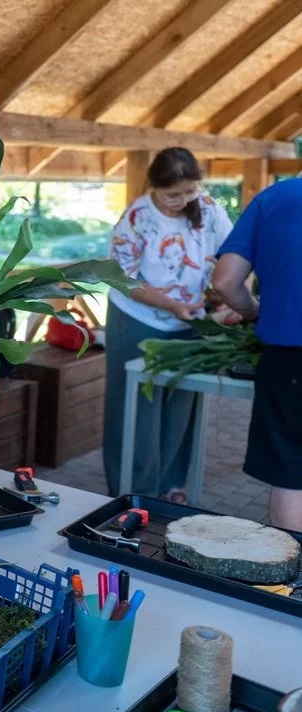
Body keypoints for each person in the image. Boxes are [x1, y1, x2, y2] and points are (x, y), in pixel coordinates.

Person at [101, 148, 233, 501]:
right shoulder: (136, 217)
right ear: (154, 187)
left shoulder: (209, 209)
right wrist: (172, 305)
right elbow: (123, 279)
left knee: (181, 402)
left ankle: (171, 485)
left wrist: (225, 295)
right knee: (135, 407)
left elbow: (231, 255)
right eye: (172, 194)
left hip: (191, 320)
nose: (182, 201)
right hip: (137, 318)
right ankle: (133, 492)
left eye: (189, 191)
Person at [212, 178, 302, 531]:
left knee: (291, 473)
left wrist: (254, 312)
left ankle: (293, 562)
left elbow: (225, 282)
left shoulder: (274, 198)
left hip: (291, 361)